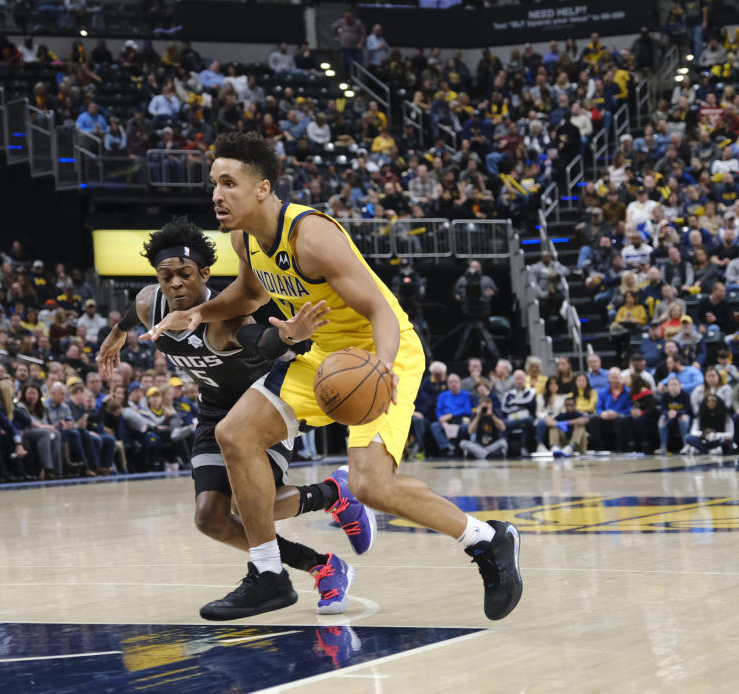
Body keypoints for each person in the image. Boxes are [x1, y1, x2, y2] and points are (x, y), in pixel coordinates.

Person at [144, 132, 521, 621]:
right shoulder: (245, 238)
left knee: (371, 486)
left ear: (263, 188)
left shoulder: (313, 236)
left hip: (380, 353)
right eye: (213, 183)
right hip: (324, 356)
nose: (216, 194)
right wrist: (201, 314)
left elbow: (380, 309)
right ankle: (269, 575)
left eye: (228, 182)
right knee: (234, 433)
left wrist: (382, 365)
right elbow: (249, 293)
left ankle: (487, 539)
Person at [98, 218, 367, 614]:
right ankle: (322, 566)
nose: (175, 284)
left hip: (258, 409)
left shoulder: (224, 317)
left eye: (185, 275)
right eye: (166, 275)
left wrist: (288, 335)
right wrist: (117, 334)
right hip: (213, 410)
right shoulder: (147, 303)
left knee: (253, 507)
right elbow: (131, 312)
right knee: (210, 518)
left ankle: (334, 493)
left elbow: (259, 340)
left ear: (204, 273)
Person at [460, 392, 507, 460]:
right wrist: (478, 416)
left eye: (488, 405)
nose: (486, 408)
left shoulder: (495, 412)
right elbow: (470, 431)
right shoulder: (476, 414)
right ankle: (487, 455)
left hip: (493, 445)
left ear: (491, 405)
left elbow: (503, 428)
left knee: (503, 442)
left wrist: (492, 416)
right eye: (484, 406)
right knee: (463, 443)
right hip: (479, 446)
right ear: (480, 406)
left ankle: (481, 455)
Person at [656, 376, 692, 455]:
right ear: (668, 387)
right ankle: (663, 447)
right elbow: (662, 409)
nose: (673, 387)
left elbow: (688, 409)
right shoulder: (665, 395)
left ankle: (686, 446)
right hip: (669, 415)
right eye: (671, 385)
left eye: (675, 385)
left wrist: (677, 413)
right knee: (661, 421)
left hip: (681, 415)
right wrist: (668, 413)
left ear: (680, 386)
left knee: (684, 420)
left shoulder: (685, 395)